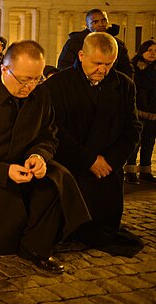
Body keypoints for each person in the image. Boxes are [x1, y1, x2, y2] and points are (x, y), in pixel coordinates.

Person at [0, 40, 91, 273]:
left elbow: (49, 134)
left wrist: (40, 155)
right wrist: (4, 171)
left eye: (37, 79)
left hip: (26, 168)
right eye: (24, 79)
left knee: (58, 179)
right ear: (5, 70)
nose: (31, 87)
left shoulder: (41, 94)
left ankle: (36, 247)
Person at [45, 32, 143, 257]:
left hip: (108, 169)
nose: (103, 69)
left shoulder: (124, 85)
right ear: (81, 55)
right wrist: (88, 160)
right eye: (97, 63)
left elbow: (132, 129)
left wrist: (111, 161)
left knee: (103, 221)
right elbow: (55, 129)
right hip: (74, 166)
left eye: (109, 64)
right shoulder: (58, 85)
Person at [58, 9, 133, 77]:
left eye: (103, 20)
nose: (101, 24)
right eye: (95, 22)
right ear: (87, 25)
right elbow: (64, 67)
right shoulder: (75, 42)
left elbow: (126, 70)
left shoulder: (118, 44)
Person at [125, 40, 156, 184]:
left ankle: (145, 170)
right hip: (138, 109)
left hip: (153, 110)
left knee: (149, 141)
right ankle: (130, 171)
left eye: (155, 50)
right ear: (142, 50)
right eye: (149, 50)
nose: (152, 53)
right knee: (135, 141)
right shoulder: (134, 67)